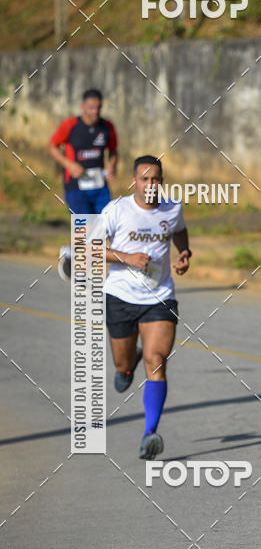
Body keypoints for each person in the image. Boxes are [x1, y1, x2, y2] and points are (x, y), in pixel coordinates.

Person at [102, 156, 191, 460]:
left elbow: (179, 229)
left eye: (156, 179)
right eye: (144, 179)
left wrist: (185, 252)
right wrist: (127, 257)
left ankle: (149, 434)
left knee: (157, 359)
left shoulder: (172, 208)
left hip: (160, 296)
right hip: (121, 297)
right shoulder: (117, 210)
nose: (150, 185)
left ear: (161, 182)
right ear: (134, 181)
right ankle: (128, 364)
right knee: (121, 364)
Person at [49, 88, 118, 280]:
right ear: (83, 107)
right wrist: (69, 164)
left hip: (99, 185)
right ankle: (78, 266)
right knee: (84, 224)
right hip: (76, 185)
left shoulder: (107, 127)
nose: (95, 111)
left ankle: (71, 252)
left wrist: (112, 166)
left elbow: (113, 151)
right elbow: (52, 146)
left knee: (105, 226)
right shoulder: (70, 125)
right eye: (91, 108)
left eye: (98, 107)